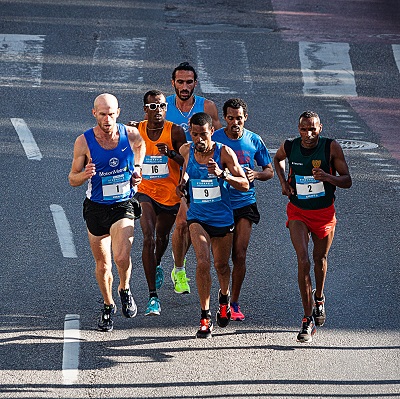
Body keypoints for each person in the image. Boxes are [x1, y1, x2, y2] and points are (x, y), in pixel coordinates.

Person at [68, 93, 146, 332]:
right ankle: (108, 305)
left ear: (118, 113)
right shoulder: (84, 142)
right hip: (96, 207)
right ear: (94, 114)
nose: (107, 118)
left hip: (123, 203)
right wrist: (85, 174)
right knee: (103, 265)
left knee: (121, 257)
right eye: (102, 114)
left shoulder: (130, 134)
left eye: (111, 114)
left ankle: (124, 288)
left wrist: (138, 169)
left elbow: (141, 146)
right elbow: (72, 179)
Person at [273, 111, 352, 343]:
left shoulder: (331, 148)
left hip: (324, 214)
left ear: (321, 128)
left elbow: (347, 180)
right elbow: (276, 159)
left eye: (313, 129)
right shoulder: (290, 146)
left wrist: (328, 177)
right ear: (298, 129)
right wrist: (283, 184)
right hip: (298, 211)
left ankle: (319, 298)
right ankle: (307, 320)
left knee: (320, 260)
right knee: (303, 260)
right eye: (304, 129)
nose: (308, 134)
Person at [178, 112, 249, 338]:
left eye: (204, 134)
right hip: (197, 217)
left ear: (212, 132)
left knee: (221, 265)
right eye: (195, 134)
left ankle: (224, 298)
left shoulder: (224, 152)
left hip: (222, 218)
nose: (199, 139)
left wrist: (223, 174)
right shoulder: (187, 151)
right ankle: (205, 316)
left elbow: (245, 185)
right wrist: (181, 187)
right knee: (202, 262)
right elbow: (184, 178)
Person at [213, 98, 274, 321]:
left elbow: (269, 170)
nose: (235, 122)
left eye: (239, 118)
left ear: (245, 117)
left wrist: (256, 174)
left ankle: (234, 302)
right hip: (219, 204)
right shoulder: (215, 139)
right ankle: (224, 293)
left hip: (245, 202)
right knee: (221, 260)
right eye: (230, 118)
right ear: (225, 118)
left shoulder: (254, 140)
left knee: (239, 254)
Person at [166, 62, 223, 295]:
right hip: (170, 173)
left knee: (188, 222)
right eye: (180, 82)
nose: (185, 86)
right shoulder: (164, 105)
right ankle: (178, 268)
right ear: (173, 83)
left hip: (200, 174)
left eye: (189, 82)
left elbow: (220, 138)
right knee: (177, 225)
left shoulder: (207, 106)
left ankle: (189, 269)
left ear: (195, 83)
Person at [134, 90, 187, 316]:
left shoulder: (174, 131)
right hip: (145, 191)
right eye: (153, 107)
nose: (158, 111)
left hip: (170, 195)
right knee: (148, 237)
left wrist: (172, 154)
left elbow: (188, 159)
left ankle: (157, 264)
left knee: (162, 237)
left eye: (162, 106)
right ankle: (152, 297)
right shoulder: (136, 130)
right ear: (145, 109)